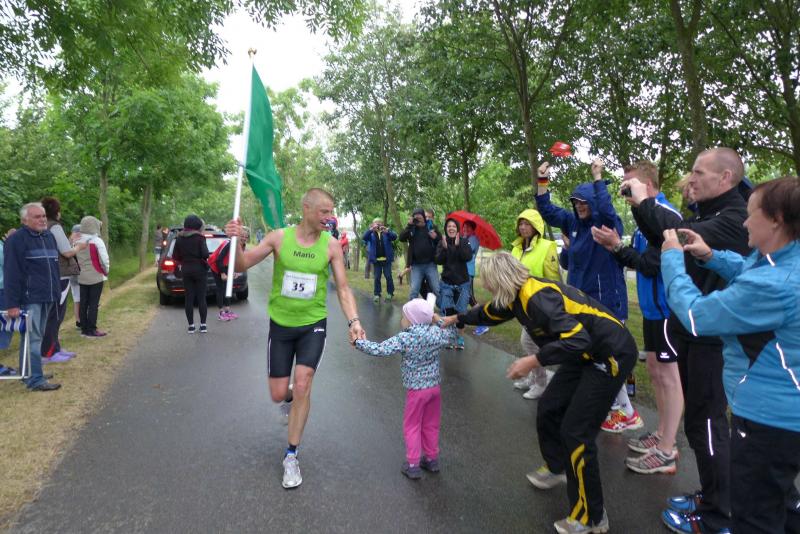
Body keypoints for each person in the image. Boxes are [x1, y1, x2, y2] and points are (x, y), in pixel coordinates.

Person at [445, 252, 637, 533]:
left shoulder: (537, 299)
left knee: (576, 432)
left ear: (500, 279)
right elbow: (490, 312)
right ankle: (558, 466)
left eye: (487, 281)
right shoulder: (516, 296)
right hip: (584, 353)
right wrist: (457, 318)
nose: (484, 285)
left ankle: (591, 517)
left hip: (609, 354)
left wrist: (532, 361)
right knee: (549, 406)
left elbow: (578, 339)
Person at [660, 176, 800, 534]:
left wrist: (672, 260)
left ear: (776, 220)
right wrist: (710, 256)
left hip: (768, 421)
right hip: (786, 418)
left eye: (751, 214)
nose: (744, 222)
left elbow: (695, 315)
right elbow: (747, 268)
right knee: (780, 503)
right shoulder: (785, 261)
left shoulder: (773, 286)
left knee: (754, 518)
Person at [624, 147, 750, 534]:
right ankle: (713, 496)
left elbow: (673, 237)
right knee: (701, 424)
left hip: (714, 338)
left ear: (725, 178)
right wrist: (640, 208)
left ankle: (719, 515)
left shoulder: (732, 217)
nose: (691, 179)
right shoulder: (708, 213)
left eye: (698, 172)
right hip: (695, 333)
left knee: (708, 425)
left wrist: (645, 200)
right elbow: (660, 238)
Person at [224, 187, 366, 490]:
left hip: (312, 324)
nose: (330, 217)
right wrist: (235, 241)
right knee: (279, 394)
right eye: (324, 211)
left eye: (332, 212)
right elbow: (241, 265)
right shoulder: (279, 238)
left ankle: (291, 455)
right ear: (306, 209)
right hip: (281, 326)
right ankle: (289, 397)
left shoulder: (331, 245)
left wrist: (354, 320)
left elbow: (343, 288)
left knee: (303, 384)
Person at [591, 160, 683, 474]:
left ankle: (667, 449)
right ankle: (662, 434)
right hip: (652, 309)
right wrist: (616, 247)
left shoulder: (665, 215)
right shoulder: (646, 219)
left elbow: (651, 265)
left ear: (647, 185)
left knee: (669, 377)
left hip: (668, 309)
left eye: (629, 185)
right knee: (656, 372)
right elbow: (639, 259)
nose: (624, 191)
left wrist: (617, 246)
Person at [535, 159, 639, 432]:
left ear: (593, 201)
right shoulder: (573, 223)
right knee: (593, 356)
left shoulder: (606, 224)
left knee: (607, 357)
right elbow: (547, 210)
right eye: (575, 202)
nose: (579, 206)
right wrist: (542, 181)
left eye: (584, 202)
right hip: (581, 303)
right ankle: (620, 409)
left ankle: (622, 411)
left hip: (607, 304)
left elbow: (605, 208)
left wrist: (598, 177)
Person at [354, 294, 457, 479]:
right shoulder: (436, 333)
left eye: (404, 316)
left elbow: (381, 349)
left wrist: (359, 343)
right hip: (434, 389)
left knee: (412, 425)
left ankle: (413, 464)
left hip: (416, 391)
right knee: (431, 424)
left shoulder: (406, 338)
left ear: (412, 320)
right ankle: (431, 459)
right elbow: (452, 333)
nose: (402, 319)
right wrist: (437, 319)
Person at [2, 203, 62, 391]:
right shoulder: (16, 240)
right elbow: (11, 274)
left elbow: (54, 267)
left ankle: (30, 372)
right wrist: (12, 304)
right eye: (37, 217)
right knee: (32, 338)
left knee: (37, 337)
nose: (42, 219)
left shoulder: (49, 237)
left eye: (43, 216)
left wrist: (56, 292)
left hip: (48, 296)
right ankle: (35, 380)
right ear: (24, 220)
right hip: (30, 298)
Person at [509, 208, 561, 400]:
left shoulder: (547, 246)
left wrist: (551, 304)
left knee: (529, 342)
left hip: (539, 304)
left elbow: (554, 279)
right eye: (521, 224)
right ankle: (533, 377)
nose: (523, 227)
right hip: (521, 303)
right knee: (530, 342)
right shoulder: (516, 248)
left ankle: (540, 382)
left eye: (527, 224)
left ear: (536, 226)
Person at [40, 197, 82, 362]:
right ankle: (49, 352)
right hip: (61, 275)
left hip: (49, 274)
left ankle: (54, 347)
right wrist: (79, 247)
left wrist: (70, 242)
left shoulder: (43, 226)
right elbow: (67, 252)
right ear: (56, 212)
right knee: (56, 314)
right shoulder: (55, 226)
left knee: (52, 313)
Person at [434, 217, 472, 349]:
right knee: (448, 312)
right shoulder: (442, 242)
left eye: (454, 226)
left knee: (461, 313)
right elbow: (438, 260)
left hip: (462, 283)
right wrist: (445, 248)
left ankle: (460, 337)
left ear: (457, 229)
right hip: (447, 283)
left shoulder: (464, 241)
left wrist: (458, 246)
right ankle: (449, 338)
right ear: (446, 229)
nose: (451, 228)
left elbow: (467, 257)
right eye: (449, 226)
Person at [172, 215, 209, 334]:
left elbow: (175, 256)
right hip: (199, 269)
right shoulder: (200, 238)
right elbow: (205, 254)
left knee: (189, 298)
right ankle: (203, 325)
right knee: (201, 297)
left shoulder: (179, 238)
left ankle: (191, 326)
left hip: (186, 269)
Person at [75, 216, 109, 338]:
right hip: (95, 275)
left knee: (83, 303)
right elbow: (104, 259)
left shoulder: (77, 240)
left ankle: (84, 329)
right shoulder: (97, 241)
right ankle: (92, 329)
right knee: (94, 304)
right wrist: (106, 271)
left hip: (82, 275)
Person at [398, 208, 441, 300]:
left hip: (430, 264)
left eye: (420, 218)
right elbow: (401, 238)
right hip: (416, 266)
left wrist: (436, 237)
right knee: (414, 290)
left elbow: (440, 241)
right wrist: (409, 225)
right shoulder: (412, 228)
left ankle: (445, 308)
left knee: (436, 289)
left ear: (424, 217)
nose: (418, 220)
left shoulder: (431, 226)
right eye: (416, 218)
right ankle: (411, 309)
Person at [210, 231, 246, 322]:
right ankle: (221, 313)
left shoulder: (241, 246)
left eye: (246, 237)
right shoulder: (228, 244)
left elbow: (235, 259)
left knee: (228, 288)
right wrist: (222, 273)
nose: (244, 238)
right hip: (216, 265)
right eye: (242, 236)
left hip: (226, 265)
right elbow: (219, 260)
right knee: (220, 288)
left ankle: (227, 310)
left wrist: (235, 271)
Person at [362, 218, 397, 303]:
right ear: (373, 224)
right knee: (377, 277)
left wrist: (387, 231)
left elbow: (394, 237)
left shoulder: (386, 232)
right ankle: (377, 294)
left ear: (382, 224)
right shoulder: (371, 234)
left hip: (386, 260)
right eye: (376, 223)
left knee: (388, 276)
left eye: (379, 223)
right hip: (376, 260)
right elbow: (364, 237)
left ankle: (390, 293)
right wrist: (371, 230)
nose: (378, 225)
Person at [69, 224, 82, 329]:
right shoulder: (74, 245)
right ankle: (79, 320)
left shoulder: (68, 243)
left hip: (76, 275)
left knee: (77, 300)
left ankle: (79, 320)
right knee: (78, 299)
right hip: (76, 276)